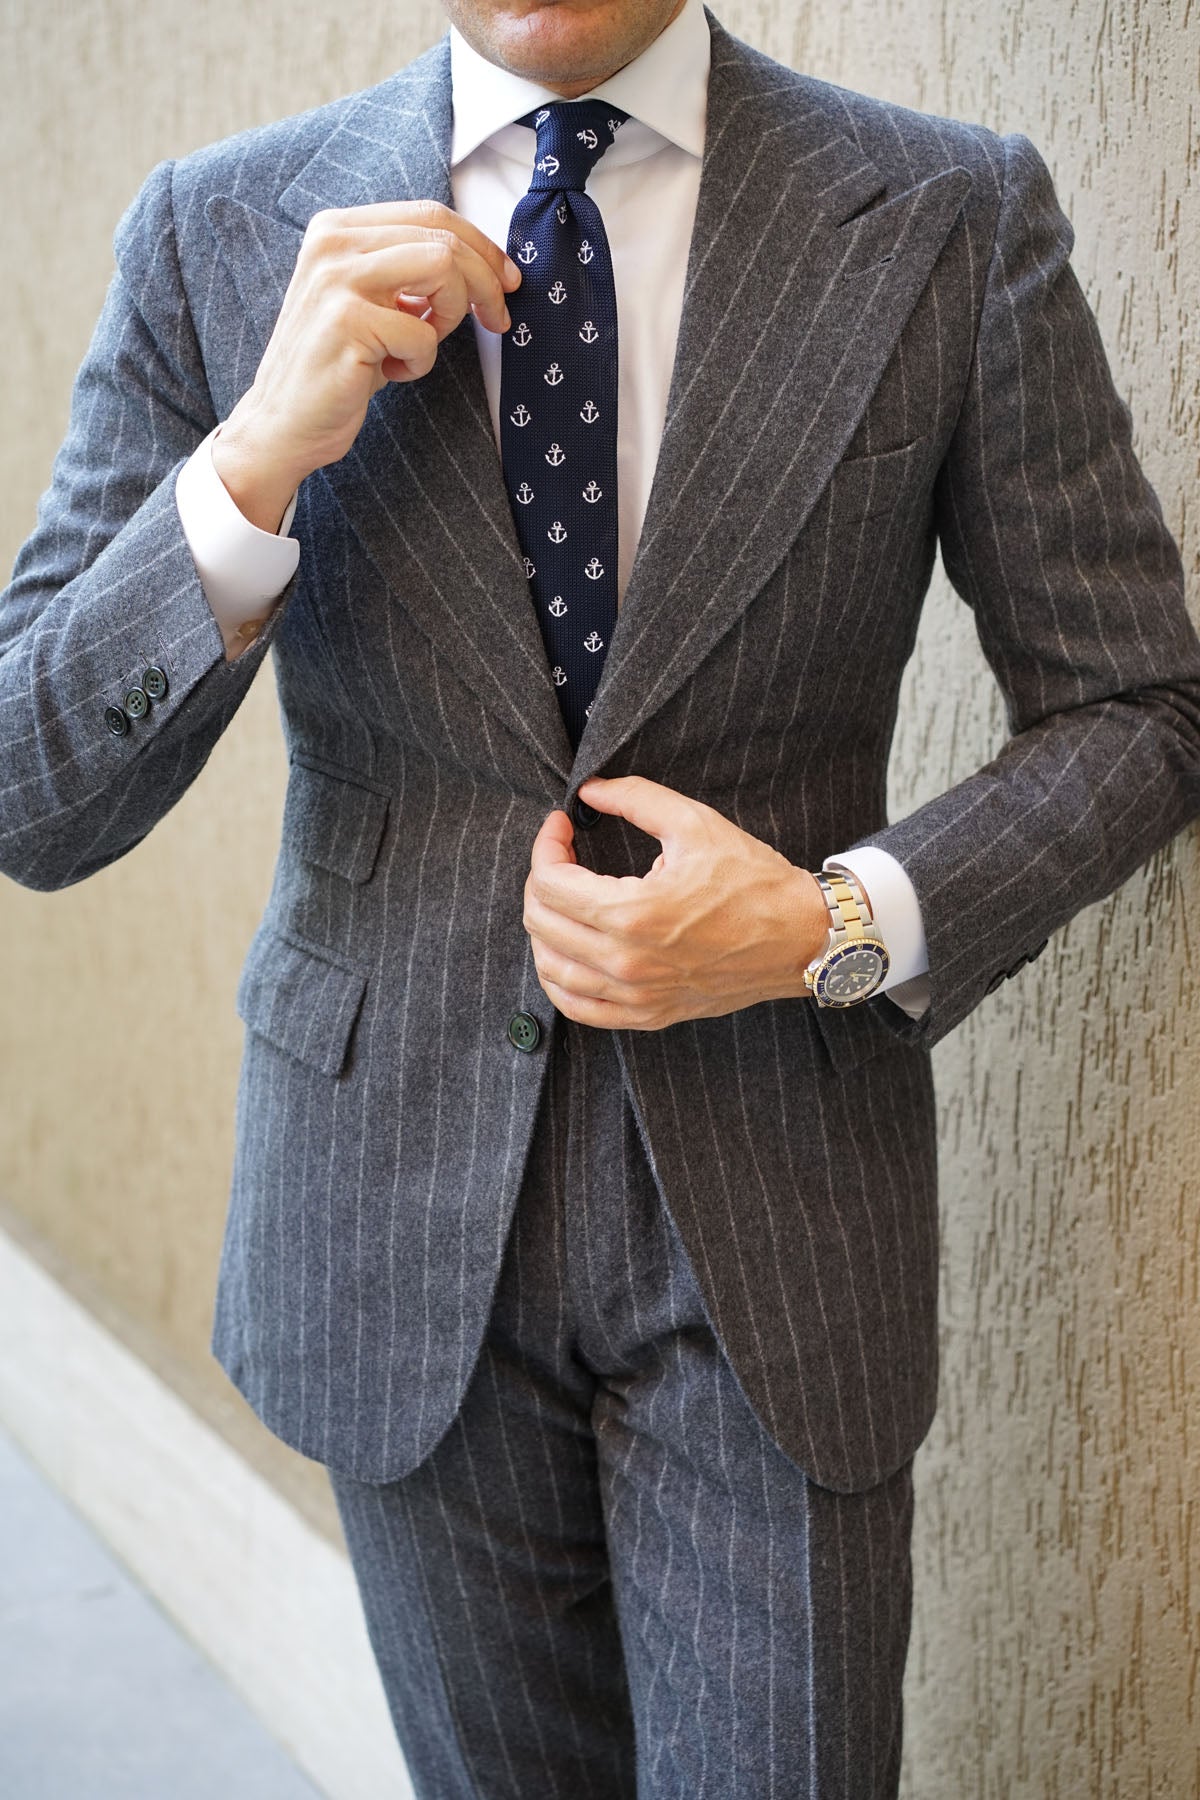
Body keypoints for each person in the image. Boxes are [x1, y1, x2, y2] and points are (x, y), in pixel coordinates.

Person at [2, 0, 1198, 1792]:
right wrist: (248, 471)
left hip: (777, 1219)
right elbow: (36, 791)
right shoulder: (218, 230)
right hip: (392, 1226)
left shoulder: (947, 212)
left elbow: (1137, 703)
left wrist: (831, 918)